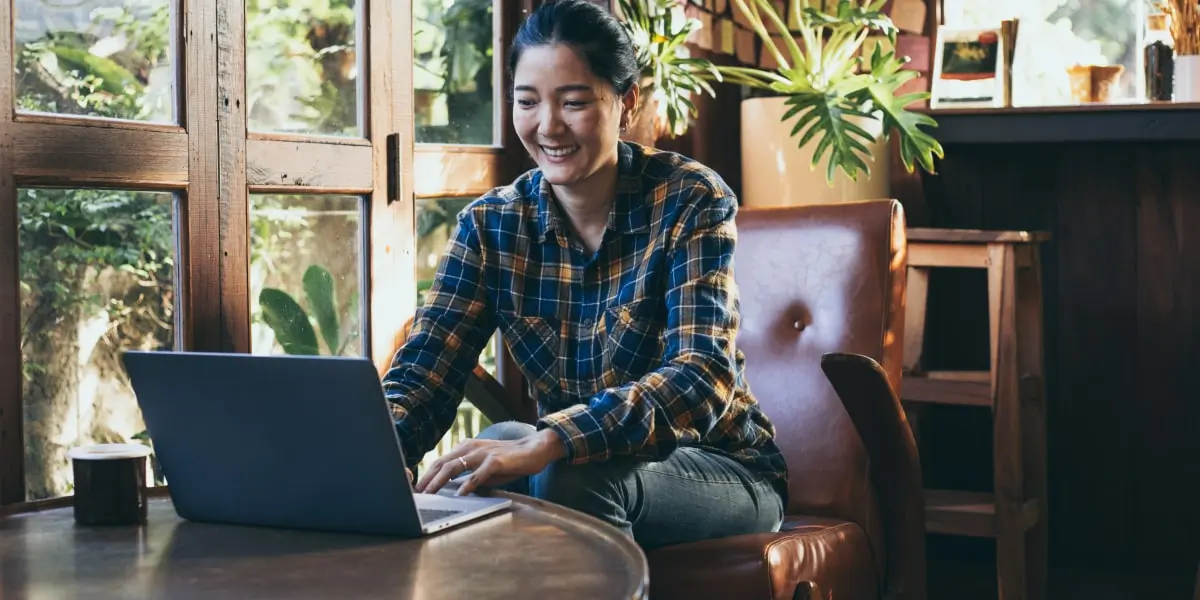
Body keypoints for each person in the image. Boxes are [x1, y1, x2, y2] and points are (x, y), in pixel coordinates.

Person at [383, 0, 787, 549]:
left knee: (565, 468)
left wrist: (555, 439)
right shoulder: (491, 225)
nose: (548, 126)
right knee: (489, 451)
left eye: (574, 102)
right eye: (527, 102)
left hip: (720, 467)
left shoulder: (690, 199)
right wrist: (373, 459)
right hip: (576, 459)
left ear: (627, 103)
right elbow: (424, 374)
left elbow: (701, 376)